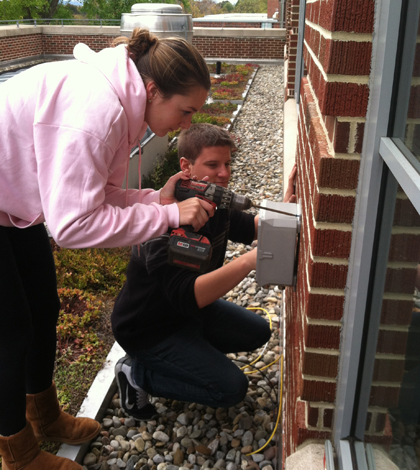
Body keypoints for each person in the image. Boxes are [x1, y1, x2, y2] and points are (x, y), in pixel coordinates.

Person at [0, 28, 214, 470]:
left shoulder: (121, 99)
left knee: (42, 305)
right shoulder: (97, 109)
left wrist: (157, 201)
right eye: (186, 110)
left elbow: (96, 194)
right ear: (153, 90)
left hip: (8, 200)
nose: (188, 124)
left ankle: (43, 416)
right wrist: (170, 217)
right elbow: (74, 225)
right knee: (10, 329)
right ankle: (16, 454)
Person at [111, 123, 297, 420]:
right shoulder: (162, 224)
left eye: (227, 163)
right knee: (230, 389)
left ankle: (188, 355)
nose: (224, 173)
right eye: (213, 165)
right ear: (186, 167)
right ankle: (138, 373)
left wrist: (288, 205)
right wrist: (249, 261)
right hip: (148, 329)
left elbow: (251, 226)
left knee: (258, 331)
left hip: (186, 315)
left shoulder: (214, 201)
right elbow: (186, 296)